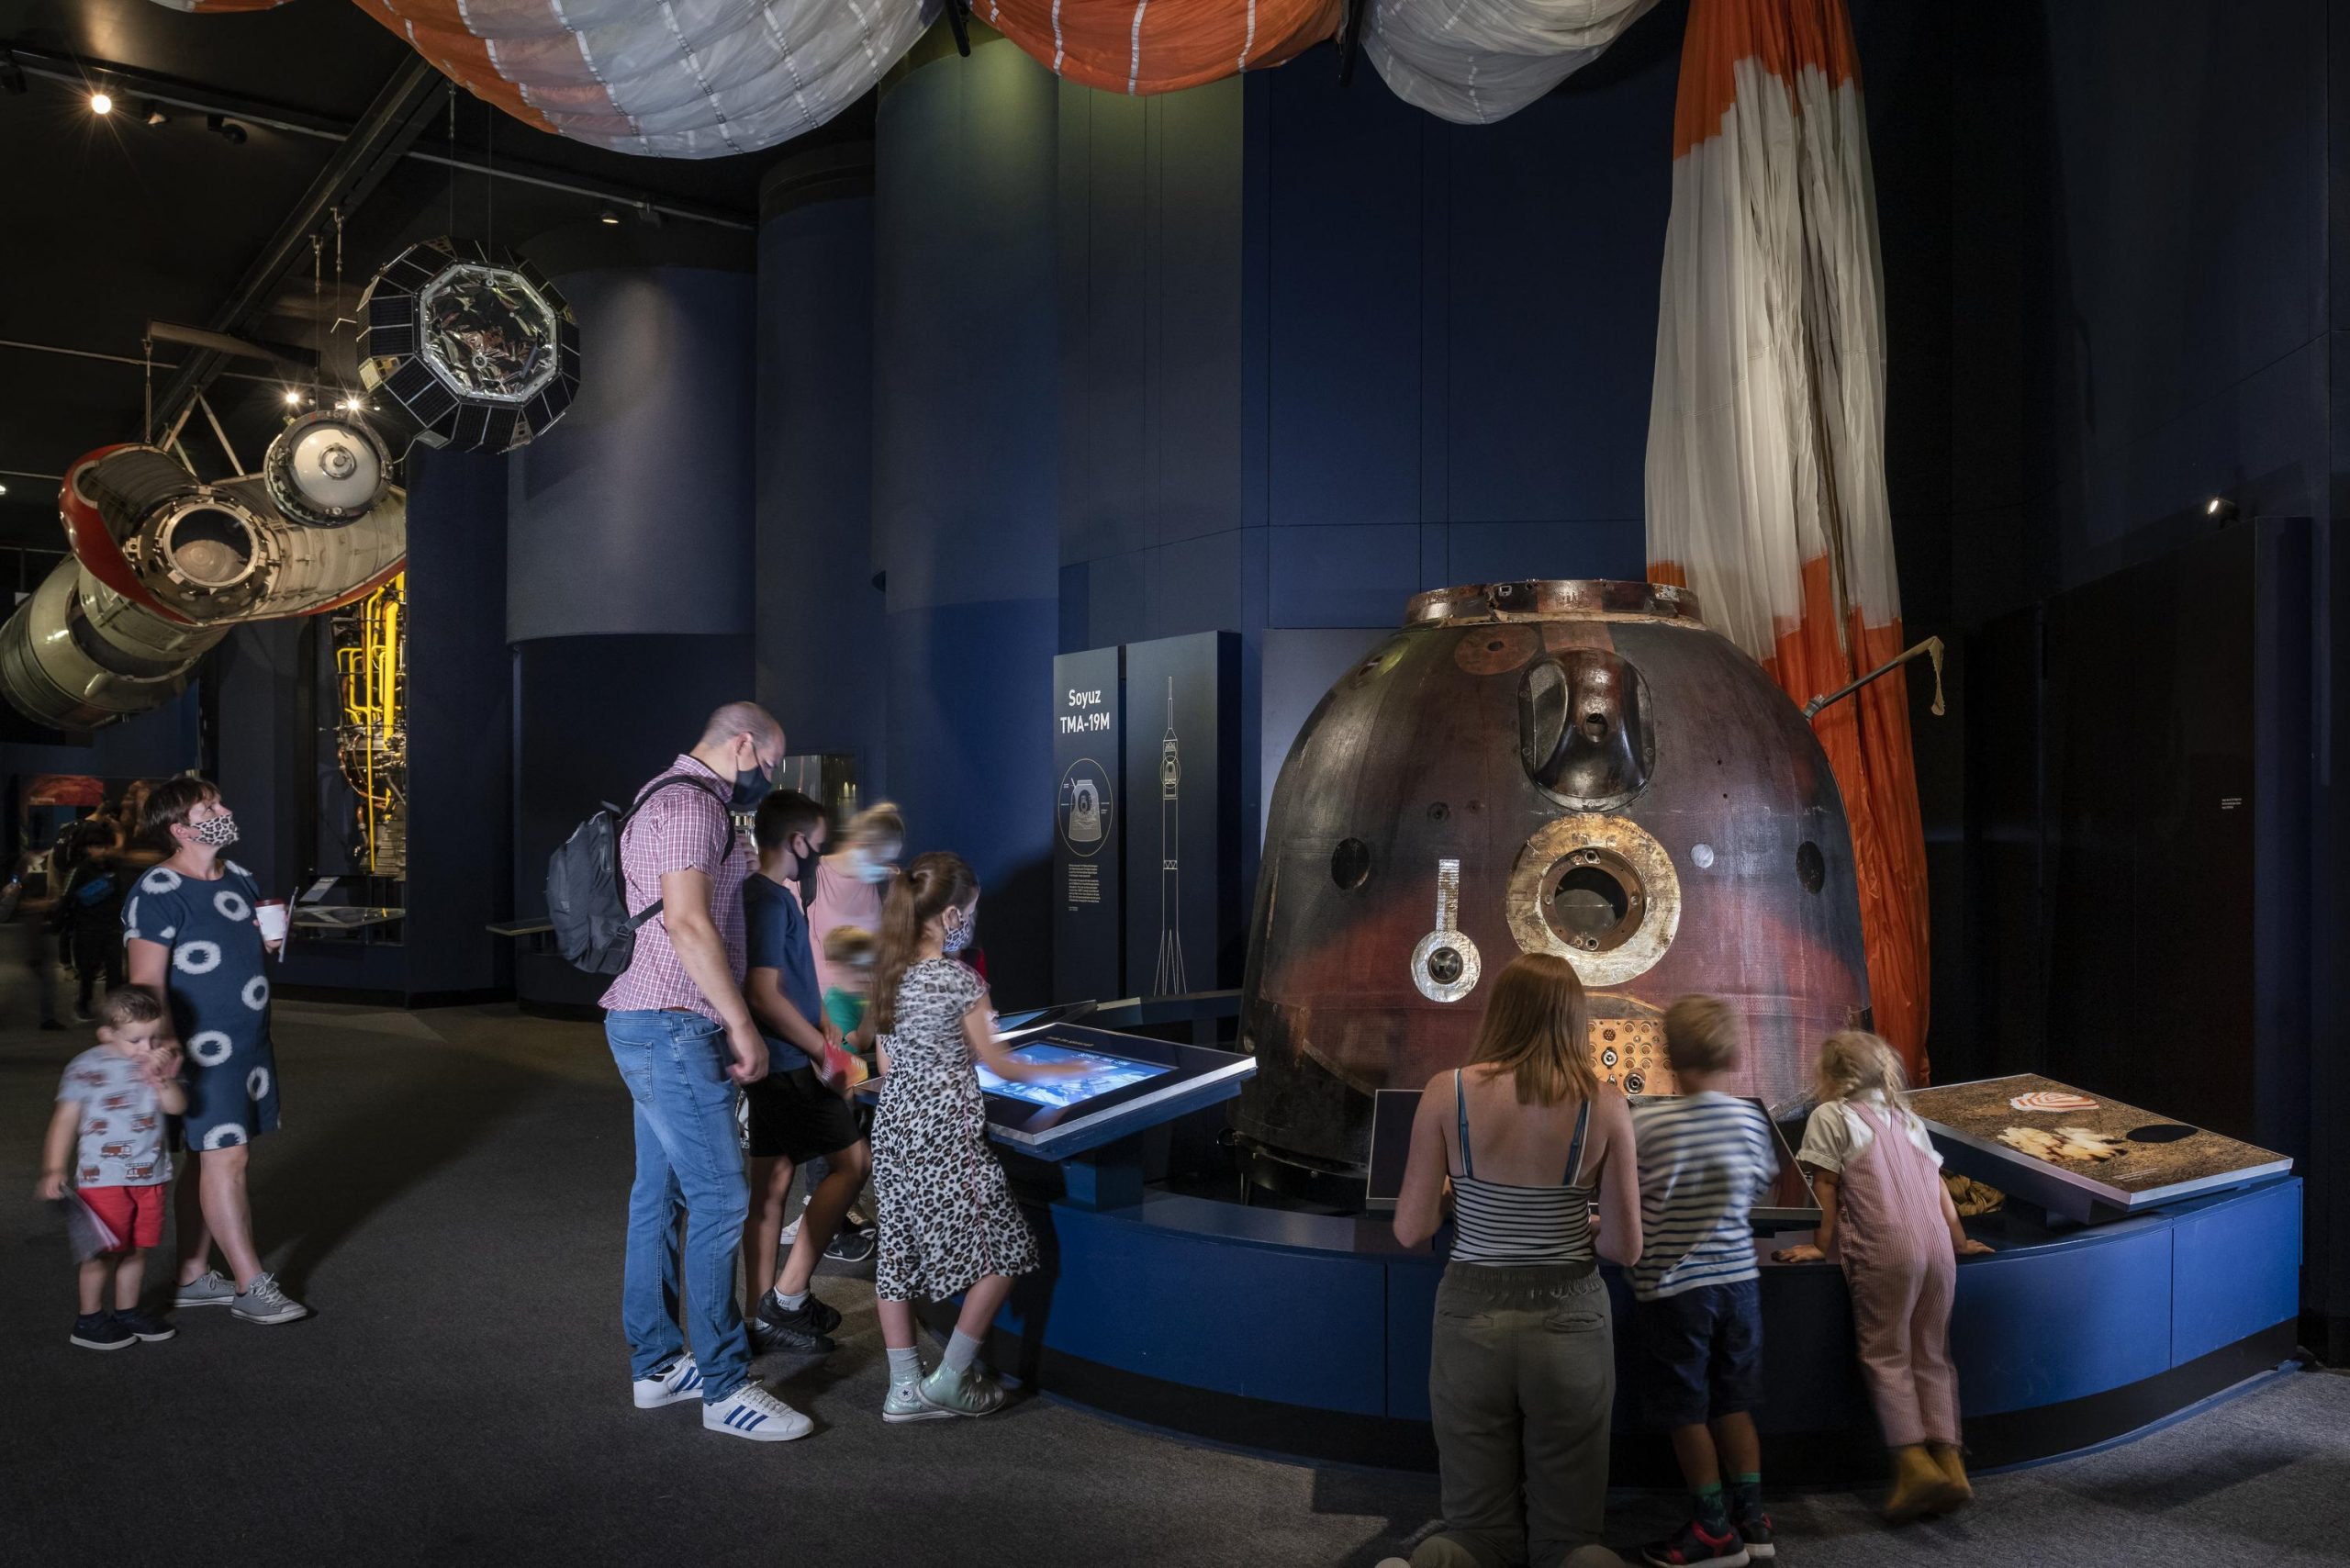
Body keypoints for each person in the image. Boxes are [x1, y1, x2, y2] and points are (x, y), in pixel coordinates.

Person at [1384, 954, 1643, 1568]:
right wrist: (1576, 1219)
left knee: (1474, 1533)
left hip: (1471, 1319)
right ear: (1574, 1018)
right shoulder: (1603, 1104)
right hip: (1572, 1322)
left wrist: (1458, 1196)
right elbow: (1623, 1248)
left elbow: (1411, 1228)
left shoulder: (1445, 1092)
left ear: (1500, 1010)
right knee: (1571, 1540)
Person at [601, 702, 811, 1443]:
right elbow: (688, 923)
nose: (769, 777)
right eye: (771, 762)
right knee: (724, 1197)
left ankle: (658, 1364)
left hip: (645, 1020)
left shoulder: (660, 794)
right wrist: (742, 1023)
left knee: (657, 1195)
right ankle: (725, 1387)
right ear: (744, 744)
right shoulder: (694, 805)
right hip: (674, 1026)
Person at [867, 852, 1087, 1421]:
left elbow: (887, 1066)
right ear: (947, 915)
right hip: (946, 1133)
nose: (971, 920)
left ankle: (902, 1389)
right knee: (1006, 1252)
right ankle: (951, 1379)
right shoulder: (962, 981)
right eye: (970, 909)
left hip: (893, 1129)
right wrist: (1072, 1071)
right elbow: (1004, 1065)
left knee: (897, 1253)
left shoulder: (887, 971)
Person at [1773, 1031, 1993, 1521]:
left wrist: (1818, 1244)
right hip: (1938, 1251)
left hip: (1886, 1251)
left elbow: (1825, 1187)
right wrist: (1958, 1242)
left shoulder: (1831, 1116)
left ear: (1830, 1076)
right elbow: (1938, 1186)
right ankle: (1951, 1462)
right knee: (1932, 1354)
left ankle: (1914, 1464)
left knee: (1887, 1352)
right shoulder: (1908, 1119)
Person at [125, 777, 307, 1327]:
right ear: (182, 829)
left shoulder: (243, 878)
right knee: (229, 1157)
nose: (225, 809)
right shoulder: (158, 890)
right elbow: (147, 982)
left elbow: (244, 949)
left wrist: (270, 940)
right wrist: (164, 1043)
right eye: (210, 807)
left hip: (248, 1043)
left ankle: (192, 1274)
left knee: (208, 1157)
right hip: (200, 1049)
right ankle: (251, 1284)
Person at [1628, 998, 1779, 1566]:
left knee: (1686, 1411)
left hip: (1676, 1290)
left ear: (1667, 1052)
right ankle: (1754, 1521)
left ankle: (1713, 1530)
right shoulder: (1747, 1118)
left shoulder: (1646, 1119)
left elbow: (1627, 1196)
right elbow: (1762, 1179)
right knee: (1734, 1403)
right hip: (1740, 1285)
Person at [737, 789, 871, 1356]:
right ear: (796, 841)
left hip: (790, 1061)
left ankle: (759, 1317)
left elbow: (794, 980)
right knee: (851, 1162)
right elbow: (764, 994)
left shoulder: (774, 896)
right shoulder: (767, 901)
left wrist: (825, 1027)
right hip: (786, 1066)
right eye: (817, 844)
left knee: (772, 1188)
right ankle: (786, 1300)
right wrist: (822, 1049)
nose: (821, 855)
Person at [36, 985, 185, 1350]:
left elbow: (177, 1107)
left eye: (154, 1037)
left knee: (138, 1248)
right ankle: (88, 1320)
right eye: (136, 1040)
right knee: (102, 1250)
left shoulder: (158, 1061)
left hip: (151, 1173)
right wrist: (54, 1167)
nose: (147, 1048)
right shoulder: (86, 1067)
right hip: (103, 1177)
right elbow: (66, 1119)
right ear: (107, 1034)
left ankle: (127, 1311)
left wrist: (160, 1079)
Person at [808, 801, 903, 1000]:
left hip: (866, 1003)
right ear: (861, 844)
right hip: (821, 1002)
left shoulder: (876, 883)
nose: (885, 868)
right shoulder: (809, 877)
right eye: (880, 860)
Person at [821, 925, 879, 1070]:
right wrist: (874, 1005)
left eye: (867, 966)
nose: (863, 974)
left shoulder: (863, 994)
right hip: (853, 1072)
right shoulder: (836, 1003)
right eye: (853, 967)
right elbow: (860, 1044)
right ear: (833, 966)